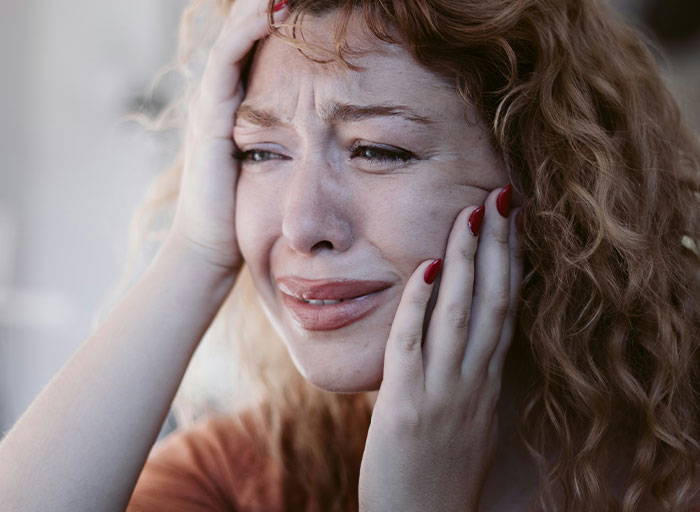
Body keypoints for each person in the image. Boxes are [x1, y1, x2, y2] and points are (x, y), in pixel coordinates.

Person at [1, 0, 698, 510]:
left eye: (378, 150)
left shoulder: (674, 476)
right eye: (260, 152)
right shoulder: (244, 477)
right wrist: (195, 250)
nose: (303, 226)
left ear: (550, 178)